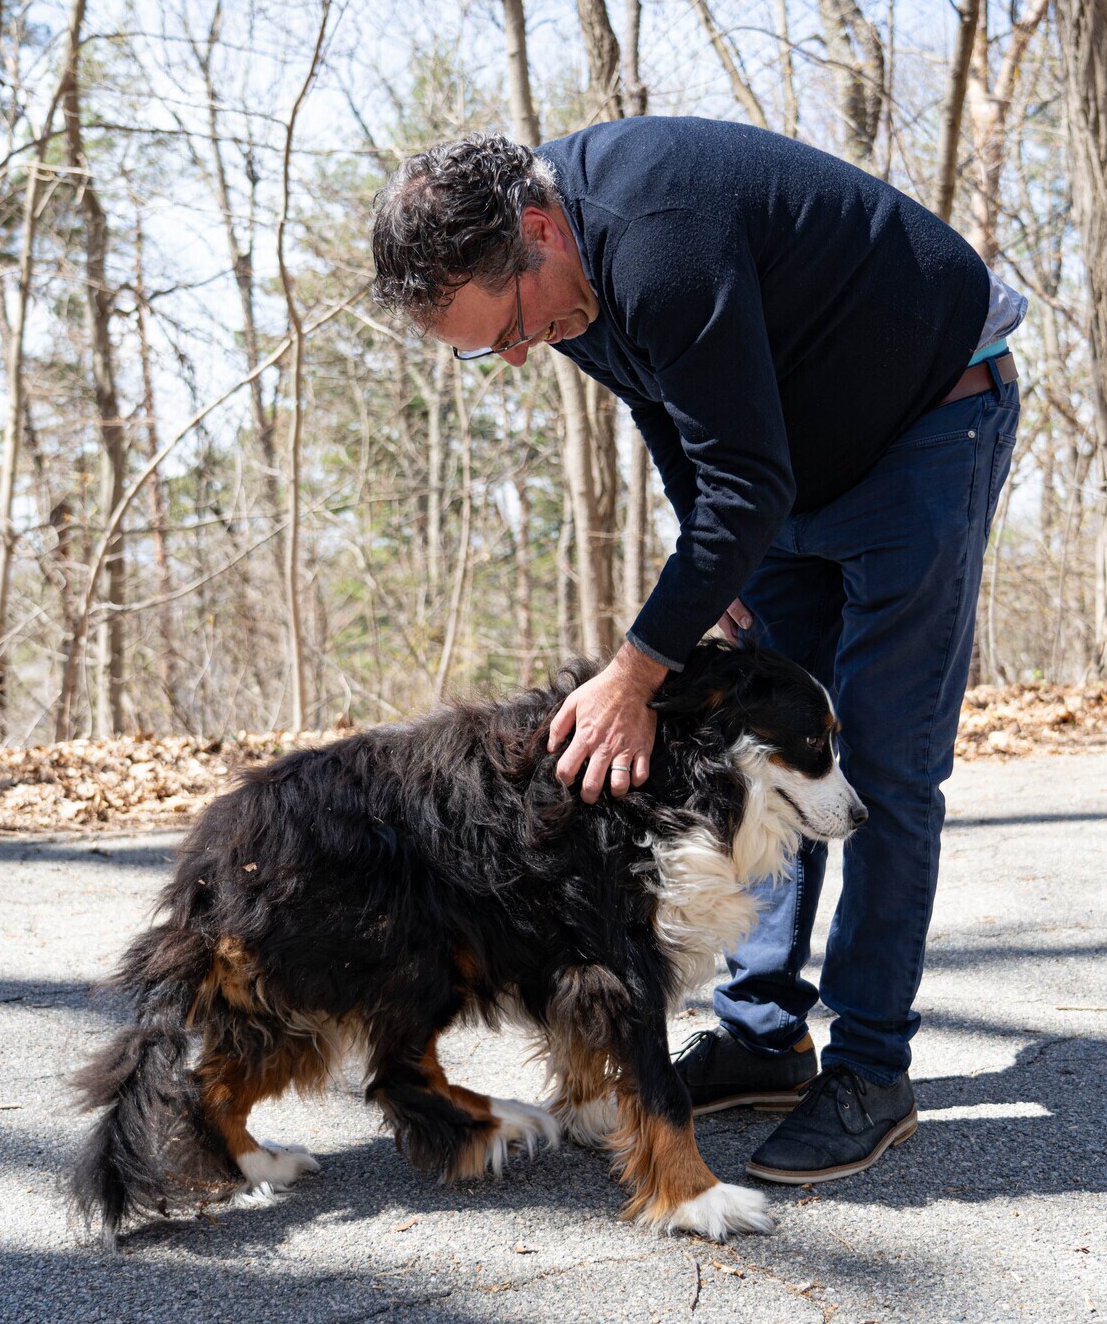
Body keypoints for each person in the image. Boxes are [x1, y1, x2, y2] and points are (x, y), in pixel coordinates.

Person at [369, 117, 1023, 1186]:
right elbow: (669, 415)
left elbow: (744, 481)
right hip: (786, 464)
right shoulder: (557, 282)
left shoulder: (656, 238)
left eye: (511, 329)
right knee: (753, 746)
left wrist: (638, 670)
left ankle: (871, 1068)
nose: (521, 352)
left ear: (538, 231)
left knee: (879, 761)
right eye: (489, 350)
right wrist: (713, 584)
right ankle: (763, 1036)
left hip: (925, 424)